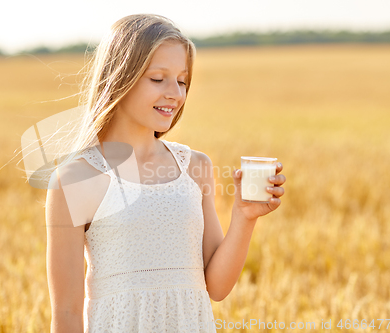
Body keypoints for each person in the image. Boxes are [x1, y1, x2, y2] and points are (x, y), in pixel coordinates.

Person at [44, 14, 286, 333]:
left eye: (182, 80)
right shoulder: (76, 179)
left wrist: (244, 217)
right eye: (158, 79)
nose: (175, 93)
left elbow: (215, 286)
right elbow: (67, 314)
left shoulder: (195, 167)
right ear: (120, 77)